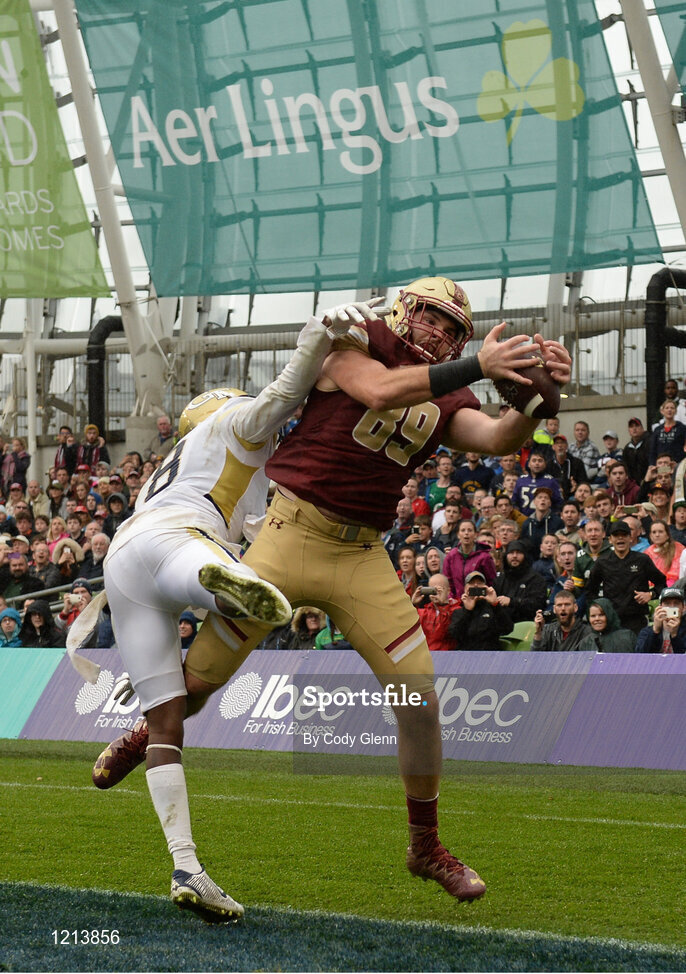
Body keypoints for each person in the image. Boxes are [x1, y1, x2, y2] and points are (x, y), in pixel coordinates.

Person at [92, 278, 570, 912]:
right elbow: (375, 388)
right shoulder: (352, 337)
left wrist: (543, 396)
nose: (437, 333)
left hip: (361, 556)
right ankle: (148, 726)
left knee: (418, 697)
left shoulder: (451, 387)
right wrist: (477, 363)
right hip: (289, 534)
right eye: (429, 317)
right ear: (404, 310)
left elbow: (497, 437)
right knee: (201, 681)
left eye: (453, 328)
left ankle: (425, 845)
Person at [87, 305, 382, 923]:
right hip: (177, 543)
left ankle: (186, 866)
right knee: (206, 563)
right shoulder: (233, 424)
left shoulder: (181, 463)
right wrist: (316, 338)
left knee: (165, 722)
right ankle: (227, 587)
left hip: (125, 562)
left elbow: (249, 519)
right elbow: (282, 394)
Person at [585, 520, 666, 634]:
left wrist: (651, 595)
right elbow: (590, 590)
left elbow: (662, 583)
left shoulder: (642, 560)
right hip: (612, 621)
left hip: (637, 619)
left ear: (630, 538)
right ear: (610, 539)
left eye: (624, 535)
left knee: (637, 650)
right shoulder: (602, 562)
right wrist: (599, 608)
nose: (620, 538)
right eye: (616, 535)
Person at [447, 570, 513, 651]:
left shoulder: (493, 609)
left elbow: (508, 629)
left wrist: (495, 605)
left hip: (490, 655)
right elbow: (455, 635)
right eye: (471, 583)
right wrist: (468, 611)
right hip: (466, 656)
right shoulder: (458, 611)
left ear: (485, 587)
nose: (475, 585)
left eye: (479, 583)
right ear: (465, 589)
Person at [442, 518, 496, 600]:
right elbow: (447, 582)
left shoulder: (485, 557)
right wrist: (452, 599)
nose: (466, 533)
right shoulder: (451, 556)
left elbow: (491, 582)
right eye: (463, 530)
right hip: (457, 603)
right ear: (458, 534)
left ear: (475, 534)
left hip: (479, 601)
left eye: (470, 530)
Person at [494, 539, 547, 622]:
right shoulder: (499, 579)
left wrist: (512, 602)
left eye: (518, 552)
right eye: (511, 553)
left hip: (526, 624)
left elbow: (537, 604)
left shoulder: (536, 579)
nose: (515, 556)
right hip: (502, 625)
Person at [531, 590, 596, 652]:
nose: (563, 608)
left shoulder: (587, 632)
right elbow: (535, 658)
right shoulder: (548, 630)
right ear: (554, 609)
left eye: (567, 604)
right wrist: (538, 632)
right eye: (559, 605)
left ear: (575, 608)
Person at [409, 573, 459, 651]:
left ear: (448, 591)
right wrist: (413, 605)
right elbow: (408, 628)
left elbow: (444, 633)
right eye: (432, 590)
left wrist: (443, 605)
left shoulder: (456, 610)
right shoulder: (424, 612)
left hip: (447, 656)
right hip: (427, 656)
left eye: (439, 589)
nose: (436, 593)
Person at [511, 450, 562, 518]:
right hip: (523, 520)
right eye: (534, 460)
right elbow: (514, 501)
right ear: (529, 464)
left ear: (545, 464)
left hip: (544, 520)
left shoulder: (550, 481)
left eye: (540, 461)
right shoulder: (521, 480)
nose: (537, 463)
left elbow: (559, 503)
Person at [635, 587, 686, 654]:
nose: (671, 607)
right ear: (660, 607)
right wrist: (655, 631)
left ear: (683, 608)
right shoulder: (646, 632)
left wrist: (675, 635)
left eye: (676, 603)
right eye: (667, 603)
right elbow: (641, 656)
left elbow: (683, 659)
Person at [518, 485, 563, 557]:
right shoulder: (527, 523)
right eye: (540, 497)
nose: (543, 500)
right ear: (534, 502)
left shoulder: (558, 522)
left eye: (546, 498)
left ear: (550, 503)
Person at [645, 520, 684, 587]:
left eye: (660, 532)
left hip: (672, 588)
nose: (657, 535)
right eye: (654, 532)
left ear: (668, 535)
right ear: (650, 536)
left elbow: (674, 575)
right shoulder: (647, 552)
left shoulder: (678, 548)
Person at [648, 401, 686, 466]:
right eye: (667, 408)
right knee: (663, 476)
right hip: (661, 465)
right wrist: (652, 465)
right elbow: (652, 451)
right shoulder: (657, 430)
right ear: (662, 411)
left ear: (676, 411)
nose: (669, 410)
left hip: (677, 465)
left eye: (672, 408)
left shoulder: (682, 428)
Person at [623, 417, 650, 486]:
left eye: (637, 426)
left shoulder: (650, 443)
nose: (634, 429)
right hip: (633, 484)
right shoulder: (627, 448)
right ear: (629, 431)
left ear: (642, 428)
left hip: (649, 481)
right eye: (631, 427)